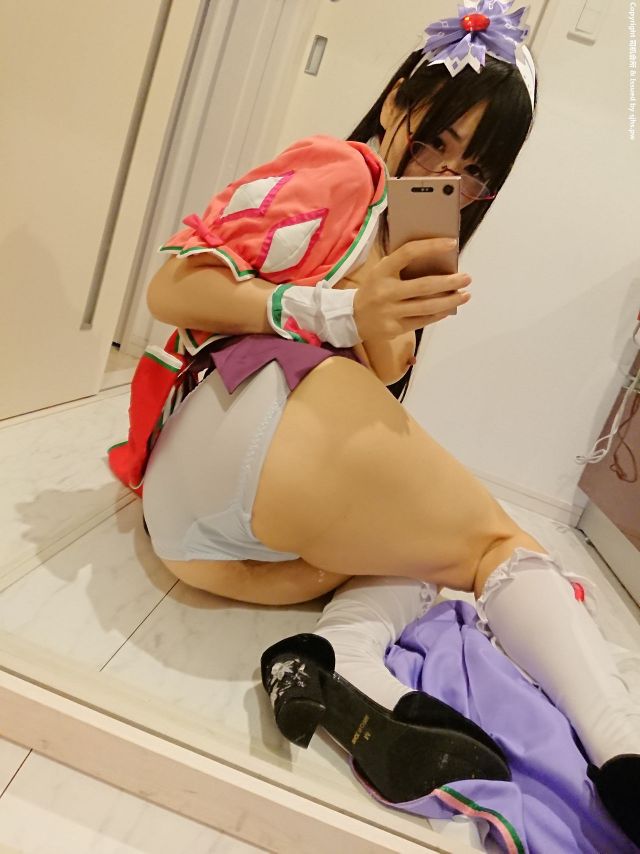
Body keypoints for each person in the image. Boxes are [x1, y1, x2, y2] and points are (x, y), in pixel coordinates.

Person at [109, 1, 639, 845]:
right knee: (493, 545)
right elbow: (171, 287)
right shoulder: (341, 170)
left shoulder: (401, 242)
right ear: (396, 101)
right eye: (433, 142)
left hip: (201, 544)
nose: (443, 176)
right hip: (228, 431)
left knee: (416, 551)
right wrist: (331, 308)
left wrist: (391, 311)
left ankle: (338, 666)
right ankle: (624, 748)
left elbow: (375, 384)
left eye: (471, 171)